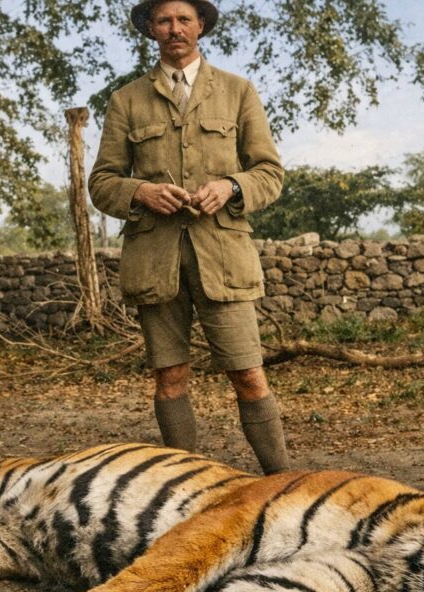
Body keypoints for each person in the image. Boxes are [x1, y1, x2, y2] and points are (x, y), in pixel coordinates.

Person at [88, 0, 289, 473]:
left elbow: (270, 172)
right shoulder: (127, 100)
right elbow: (101, 182)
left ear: (201, 26)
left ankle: (284, 483)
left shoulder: (238, 92)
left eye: (183, 19)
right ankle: (185, 487)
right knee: (171, 378)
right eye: (164, 20)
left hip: (224, 259)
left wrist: (231, 186)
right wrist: (141, 192)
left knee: (249, 375)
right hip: (155, 261)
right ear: (151, 30)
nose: (174, 29)